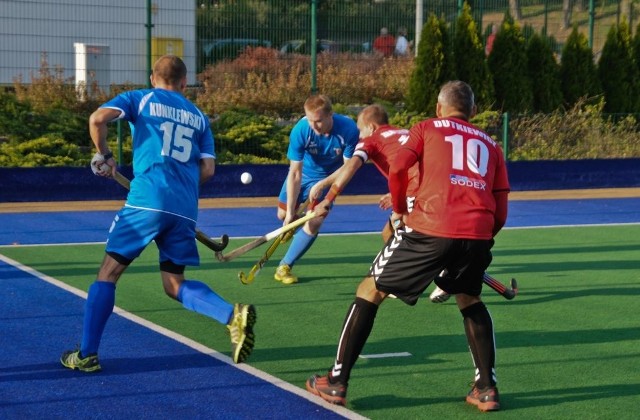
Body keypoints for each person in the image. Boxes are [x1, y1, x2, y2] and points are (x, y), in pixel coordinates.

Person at [305, 81, 510, 412]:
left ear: (439, 108)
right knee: (470, 299)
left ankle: (336, 381)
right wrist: (478, 238)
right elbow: (500, 209)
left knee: (370, 289)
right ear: (472, 111)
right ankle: (486, 389)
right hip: (478, 233)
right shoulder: (491, 144)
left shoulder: (425, 127)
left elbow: (399, 167)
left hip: (429, 226)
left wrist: (399, 208)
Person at [60, 55, 256, 372]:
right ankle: (232, 316)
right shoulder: (199, 117)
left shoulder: (141, 98)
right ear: (183, 82)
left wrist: (106, 155)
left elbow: (97, 119)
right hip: (184, 210)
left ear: (154, 78)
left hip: (145, 202)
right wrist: (178, 193)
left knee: (107, 274)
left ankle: (87, 354)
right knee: (174, 284)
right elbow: (207, 169)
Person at [274, 94, 359, 285]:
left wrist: (322, 184)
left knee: (316, 219)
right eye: (310, 120)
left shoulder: (348, 130)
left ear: (331, 115)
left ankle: (285, 266)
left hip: (330, 178)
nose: (314, 126)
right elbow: (294, 172)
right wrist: (289, 215)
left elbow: (348, 168)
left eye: (319, 121)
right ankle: (293, 224)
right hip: (303, 176)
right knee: (282, 215)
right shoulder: (301, 130)